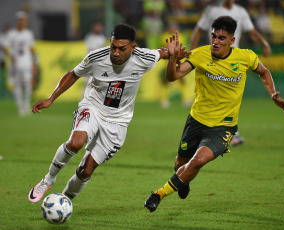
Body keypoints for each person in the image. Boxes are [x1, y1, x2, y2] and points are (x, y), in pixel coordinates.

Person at [28, 24, 190, 203]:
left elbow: (162, 53)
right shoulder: (96, 58)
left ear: (133, 48)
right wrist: (51, 98)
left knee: (85, 171)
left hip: (118, 122)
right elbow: (73, 74)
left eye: (122, 49)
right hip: (93, 107)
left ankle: (64, 201)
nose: (116, 53)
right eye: (113, 46)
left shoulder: (144, 57)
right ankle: (48, 179)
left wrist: (174, 54)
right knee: (76, 143)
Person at [144, 16, 284, 212]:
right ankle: (183, 181)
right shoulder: (199, 54)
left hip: (224, 126)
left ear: (232, 40)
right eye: (213, 36)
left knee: (198, 161)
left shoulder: (245, 57)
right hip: (196, 120)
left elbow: (264, 72)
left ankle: (157, 194)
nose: (215, 41)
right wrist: (171, 58)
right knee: (181, 163)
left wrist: (273, 94)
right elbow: (172, 77)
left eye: (221, 38)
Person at [190, 0, 272, 146]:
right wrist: (190, 53)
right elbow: (198, 30)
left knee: (231, 98)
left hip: (236, 61)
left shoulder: (241, 12)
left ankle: (228, 132)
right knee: (214, 96)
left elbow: (252, 32)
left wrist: (264, 43)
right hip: (215, 60)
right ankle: (214, 131)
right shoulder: (211, 10)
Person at [4, 11, 37, 116]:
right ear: (16, 21)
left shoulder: (28, 34)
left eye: (23, 20)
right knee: (16, 84)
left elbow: (32, 49)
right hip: (15, 63)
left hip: (26, 62)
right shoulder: (11, 34)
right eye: (20, 20)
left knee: (27, 83)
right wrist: (10, 55)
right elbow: (4, 46)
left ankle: (26, 105)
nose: (21, 22)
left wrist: (34, 63)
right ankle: (20, 108)